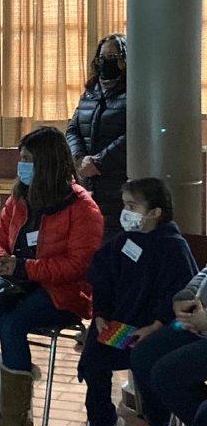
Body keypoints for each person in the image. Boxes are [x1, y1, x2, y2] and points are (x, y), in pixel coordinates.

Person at [0, 126, 104, 426]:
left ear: (47, 163)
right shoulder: (19, 198)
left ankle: (16, 416)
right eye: (21, 158)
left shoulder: (82, 207)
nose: (21, 165)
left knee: (12, 324)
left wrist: (24, 267)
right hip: (15, 285)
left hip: (62, 294)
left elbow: (78, 265)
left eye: (27, 159)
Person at [77, 178, 197, 426]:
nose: (126, 212)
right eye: (124, 205)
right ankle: (102, 418)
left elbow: (180, 293)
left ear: (155, 212)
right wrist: (100, 314)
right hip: (123, 326)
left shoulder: (172, 246)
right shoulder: (124, 241)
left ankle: (155, 420)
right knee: (93, 356)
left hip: (157, 328)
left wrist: (157, 325)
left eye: (132, 206)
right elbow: (103, 278)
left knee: (149, 362)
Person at [66, 33, 127, 240]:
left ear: (124, 60)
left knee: (112, 241)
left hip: (117, 183)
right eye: (102, 57)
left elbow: (134, 136)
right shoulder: (90, 93)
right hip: (87, 181)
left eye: (112, 56)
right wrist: (79, 158)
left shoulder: (134, 91)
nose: (105, 62)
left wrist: (99, 162)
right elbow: (72, 129)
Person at [131, 264, 207, 426]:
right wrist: (184, 297)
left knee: (166, 375)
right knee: (143, 355)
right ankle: (160, 421)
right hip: (195, 321)